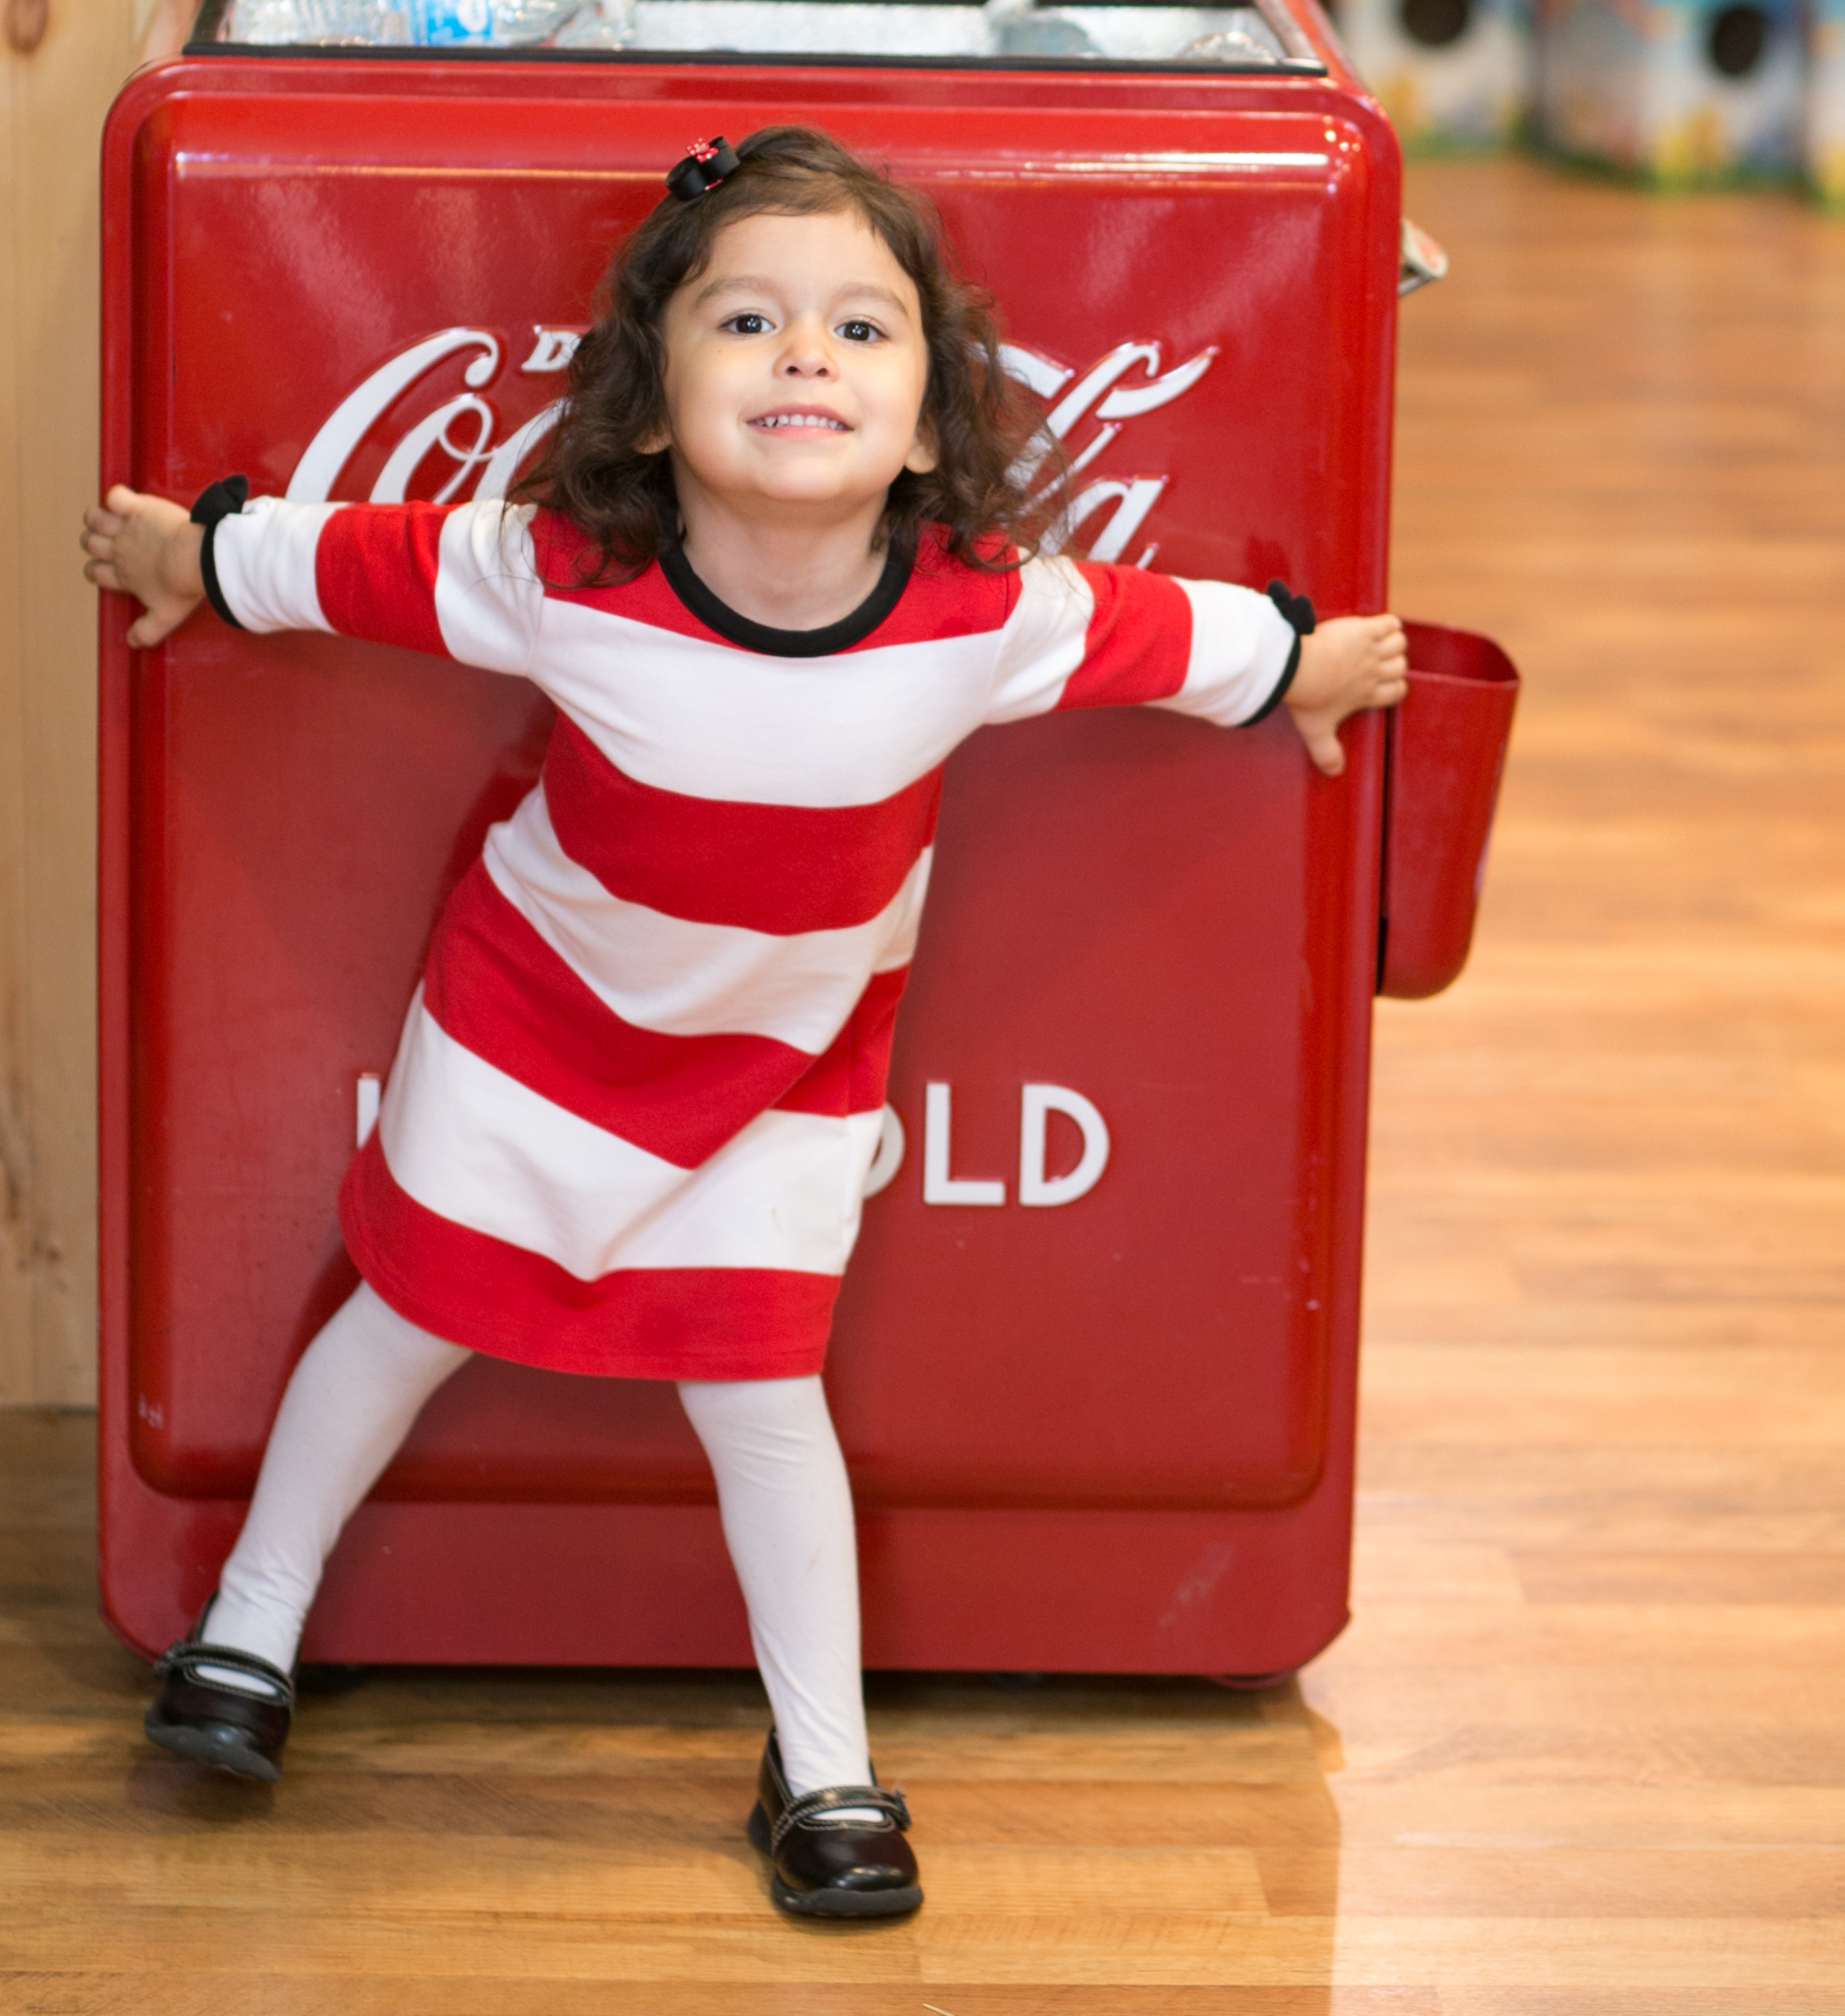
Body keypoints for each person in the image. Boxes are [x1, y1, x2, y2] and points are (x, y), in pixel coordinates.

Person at [81, 122, 1406, 1920]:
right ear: (647, 403)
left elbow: (1159, 635)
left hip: (777, 1076)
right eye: (748, 319)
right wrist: (202, 554)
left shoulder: (980, 612)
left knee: (765, 1398)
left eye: (862, 328)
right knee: (404, 1315)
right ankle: (246, 1630)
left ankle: (826, 1762)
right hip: (535, 1026)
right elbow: (364, 562)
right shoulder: (561, 572)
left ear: (928, 428)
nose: (805, 354)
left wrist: (1302, 661)